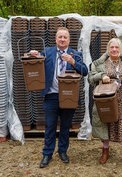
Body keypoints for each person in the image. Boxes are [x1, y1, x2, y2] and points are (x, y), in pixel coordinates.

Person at [30, 27, 88, 168]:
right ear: (56, 39)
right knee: (50, 126)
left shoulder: (75, 54)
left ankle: (62, 151)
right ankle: (47, 154)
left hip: (69, 96)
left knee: (65, 126)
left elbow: (85, 71)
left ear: (69, 40)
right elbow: (38, 59)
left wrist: (73, 62)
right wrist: (35, 54)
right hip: (51, 96)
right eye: (60, 37)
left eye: (65, 37)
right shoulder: (48, 52)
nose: (62, 39)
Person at [88, 37, 122, 169]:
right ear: (108, 49)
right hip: (106, 98)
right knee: (106, 123)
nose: (114, 49)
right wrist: (101, 76)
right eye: (112, 47)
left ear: (121, 49)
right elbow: (90, 78)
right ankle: (105, 151)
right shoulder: (100, 63)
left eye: (117, 47)